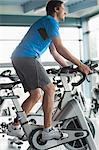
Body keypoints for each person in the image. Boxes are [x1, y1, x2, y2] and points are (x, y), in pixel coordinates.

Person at [7, 0, 91, 141]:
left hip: (19, 57)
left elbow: (54, 51)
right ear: (56, 9)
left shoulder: (47, 23)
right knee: (50, 89)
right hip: (27, 57)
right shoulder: (51, 21)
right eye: (64, 9)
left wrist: (67, 68)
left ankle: (15, 126)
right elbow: (60, 47)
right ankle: (48, 129)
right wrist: (80, 65)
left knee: (36, 95)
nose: (66, 12)